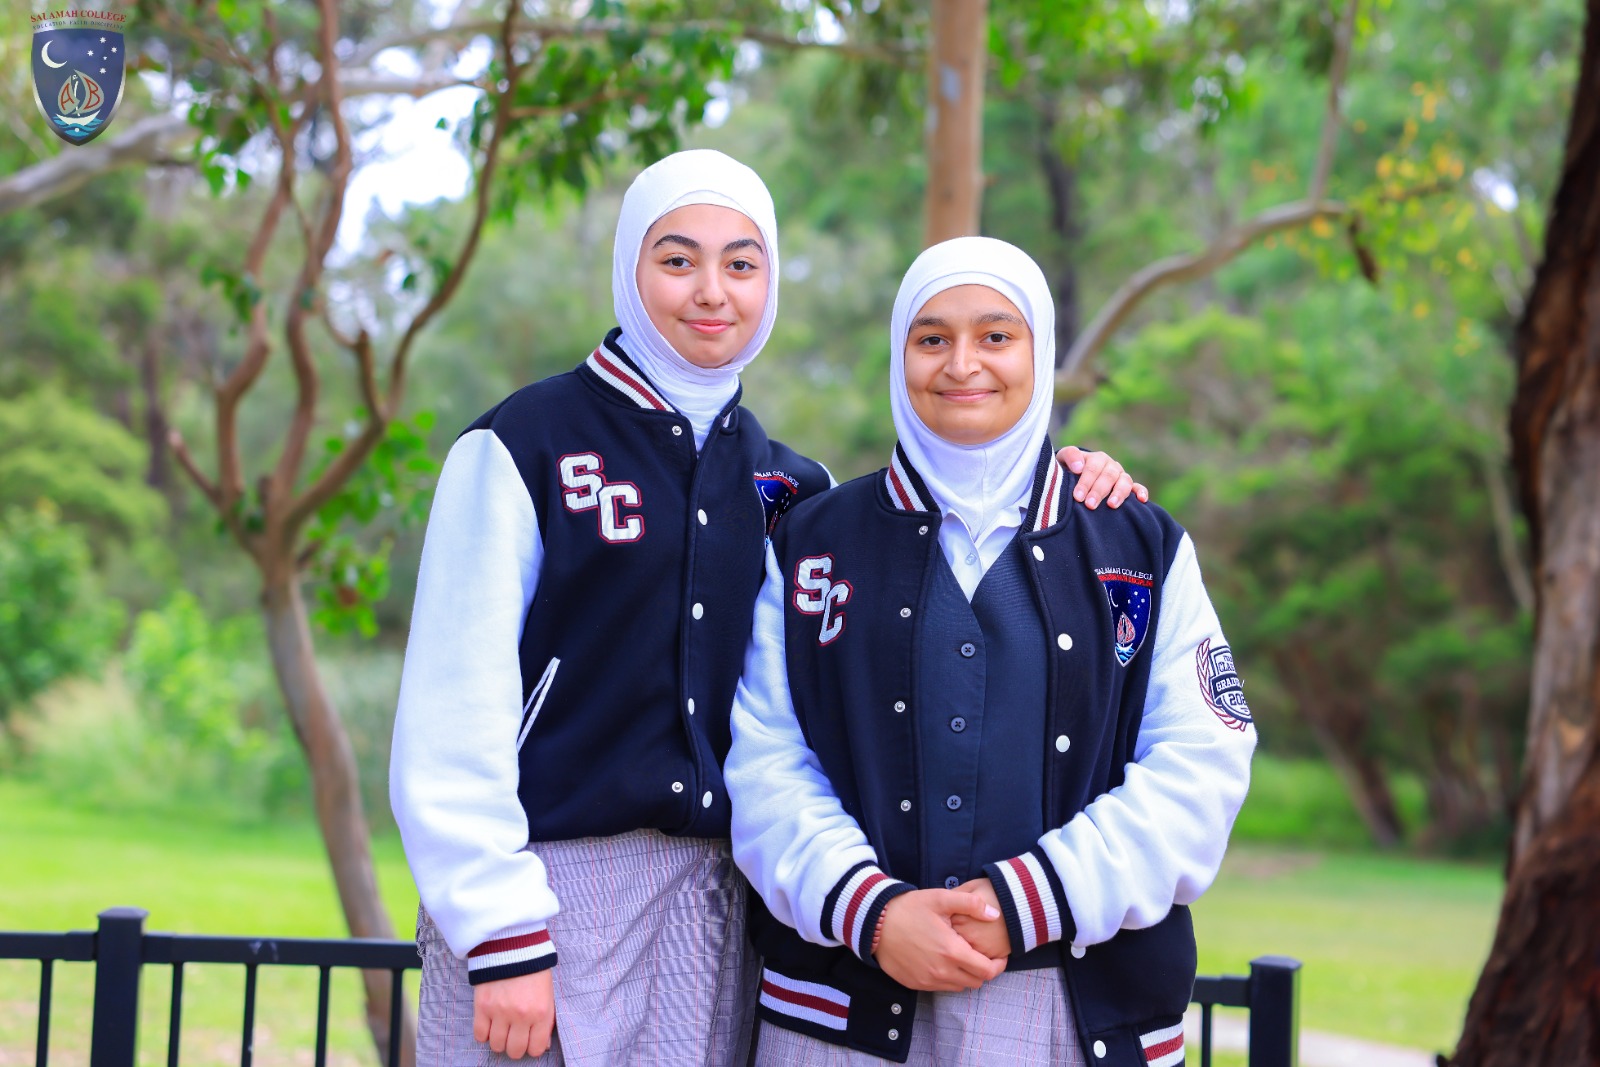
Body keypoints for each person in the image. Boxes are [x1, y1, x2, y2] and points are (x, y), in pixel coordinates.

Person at [389, 154, 1144, 1067]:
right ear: (629, 266)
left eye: (742, 263)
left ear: (770, 281)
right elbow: (451, 707)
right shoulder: (523, 445)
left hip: (716, 900)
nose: (712, 291)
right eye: (678, 259)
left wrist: (1068, 474)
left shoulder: (794, 488)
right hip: (541, 887)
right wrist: (498, 929)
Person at [725, 236, 1257, 1066]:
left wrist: (1030, 899)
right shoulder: (811, 541)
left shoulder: (1138, 543)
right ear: (899, 353)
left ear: (1039, 352)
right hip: (841, 1012)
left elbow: (1202, 763)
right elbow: (765, 760)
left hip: (1069, 1014)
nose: (962, 363)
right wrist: (872, 911)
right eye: (932, 337)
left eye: (997, 336)